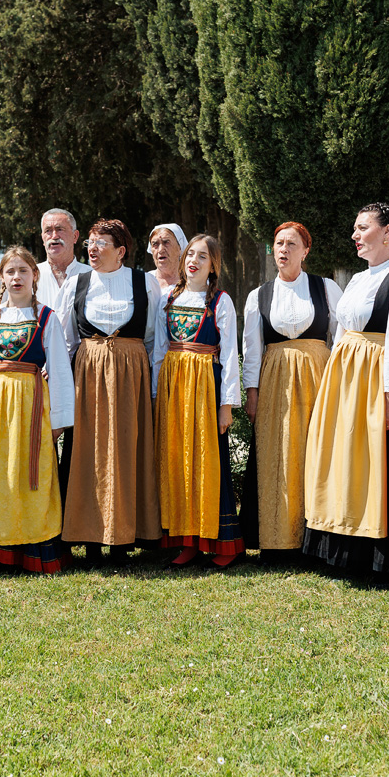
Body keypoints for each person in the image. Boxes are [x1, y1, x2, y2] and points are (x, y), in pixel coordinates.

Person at [302, 204, 389, 578]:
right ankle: (343, 546)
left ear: (388, 232)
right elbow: (343, 331)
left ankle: (381, 554)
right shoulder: (360, 279)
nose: (355, 236)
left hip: (377, 381)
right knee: (345, 459)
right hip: (346, 379)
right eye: (355, 229)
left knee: (376, 463)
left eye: (363, 228)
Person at [0, 247, 75, 572]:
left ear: (34, 276)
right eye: (10, 271)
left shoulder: (46, 317)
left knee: (28, 474)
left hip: (30, 406)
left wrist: (59, 422)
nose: (16, 277)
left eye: (23, 271)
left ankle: (31, 548)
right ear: (1, 277)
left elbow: (60, 370)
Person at [56, 219, 163, 561]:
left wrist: (151, 382)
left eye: (101, 243)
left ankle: (123, 538)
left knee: (127, 450)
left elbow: (152, 337)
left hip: (130, 375)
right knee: (87, 451)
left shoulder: (143, 282)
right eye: (90, 242)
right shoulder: (76, 283)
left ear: (121, 251)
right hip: (87, 375)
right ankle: (88, 537)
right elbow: (64, 338)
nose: (93, 248)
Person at [240, 222, 343, 562]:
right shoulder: (259, 296)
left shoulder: (325, 288)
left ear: (306, 250)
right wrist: (251, 393)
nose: (283, 249)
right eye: (278, 243)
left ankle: (316, 541)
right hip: (274, 383)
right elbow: (252, 349)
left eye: (291, 244)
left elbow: (340, 336)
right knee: (277, 456)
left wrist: (338, 383)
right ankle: (277, 539)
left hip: (317, 381)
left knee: (315, 454)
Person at [152, 235, 242, 570]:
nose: (193, 261)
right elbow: (160, 350)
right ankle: (186, 540)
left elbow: (230, 353)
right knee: (177, 460)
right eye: (190, 254)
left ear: (213, 265)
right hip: (174, 386)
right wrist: (156, 394)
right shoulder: (168, 296)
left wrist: (227, 404)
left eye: (202, 256)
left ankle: (224, 542)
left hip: (206, 386)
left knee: (208, 461)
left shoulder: (220, 301)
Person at [37, 208, 91, 309]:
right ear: (42, 239)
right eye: (48, 231)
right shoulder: (31, 276)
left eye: (60, 229)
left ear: (75, 236)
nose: (54, 236)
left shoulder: (91, 276)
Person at [147, 223, 189, 297]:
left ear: (180, 248)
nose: (160, 250)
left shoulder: (194, 283)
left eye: (166, 242)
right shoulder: (145, 281)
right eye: (155, 244)